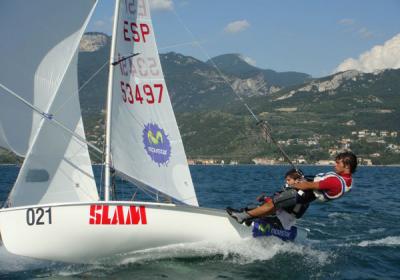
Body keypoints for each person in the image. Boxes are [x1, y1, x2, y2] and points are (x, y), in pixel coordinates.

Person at [227, 151, 357, 225]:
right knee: (274, 205)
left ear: (347, 166)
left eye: (338, 163)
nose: (335, 164)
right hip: (307, 196)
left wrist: (294, 184)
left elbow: (307, 185)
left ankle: (243, 215)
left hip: (302, 194)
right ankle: (251, 217)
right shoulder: (347, 180)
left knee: (273, 203)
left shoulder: (335, 181)